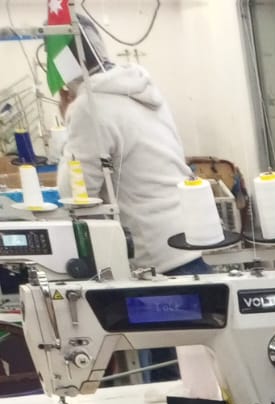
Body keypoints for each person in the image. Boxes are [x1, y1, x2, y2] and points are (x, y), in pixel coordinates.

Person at [56, 27, 195, 275]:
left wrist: (68, 119)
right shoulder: (141, 87)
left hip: (151, 255)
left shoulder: (89, 106)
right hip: (187, 237)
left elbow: (76, 194)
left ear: (62, 62)